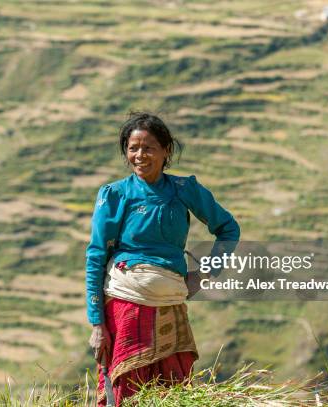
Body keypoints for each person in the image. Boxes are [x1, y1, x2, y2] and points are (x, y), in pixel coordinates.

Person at [86, 112, 240, 406]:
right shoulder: (115, 195)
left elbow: (228, 229)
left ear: (166, 150)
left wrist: (207, 272)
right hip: (124, 304)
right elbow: (96, 256)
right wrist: (97, 324)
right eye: (133, 148)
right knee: (126, 390)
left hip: (170, 305)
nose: (140, 155)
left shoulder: (184, 191)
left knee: (174, 390)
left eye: (149, 148)